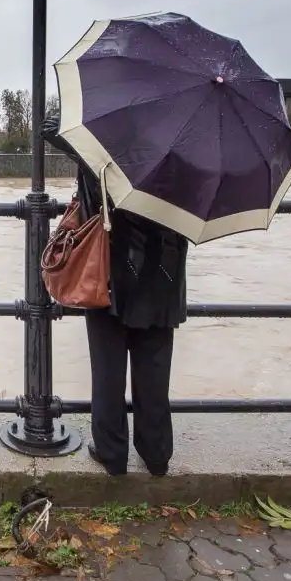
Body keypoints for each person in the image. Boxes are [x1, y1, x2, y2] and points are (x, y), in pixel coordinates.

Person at [41, 113, 189, 476]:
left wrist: (81, 129)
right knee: (154, 369)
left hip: (108, 271)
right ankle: (156, 454)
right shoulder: (184, 147)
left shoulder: (100, 148)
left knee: (107, 370)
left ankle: (112, 453)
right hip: (163, 274)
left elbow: (50, 128)